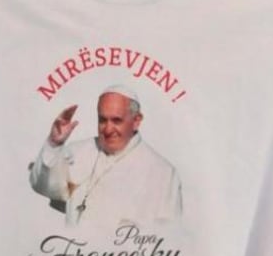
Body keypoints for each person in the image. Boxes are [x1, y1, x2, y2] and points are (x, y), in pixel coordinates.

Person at [29, 85, 182, 227]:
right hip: (75, 252)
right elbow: (44, 187)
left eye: (116, 120)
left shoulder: (163, 173)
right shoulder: (77, 151)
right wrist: (54, 144)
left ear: (136, 121)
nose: (108, 129)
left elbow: (168, 239)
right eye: (102, 120)